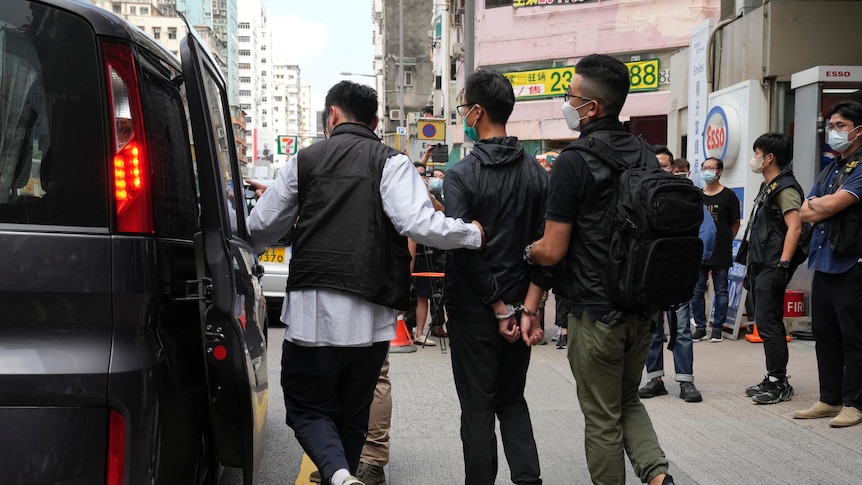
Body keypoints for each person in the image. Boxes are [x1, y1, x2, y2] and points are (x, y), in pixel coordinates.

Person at [246, 81, 485, 485]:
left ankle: (339, 475)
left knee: (307, 409)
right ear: (375, 122)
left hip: (312, 311)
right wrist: (472, 233)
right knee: (354, 413)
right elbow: (418, 223)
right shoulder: (391, 162)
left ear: (332, 116)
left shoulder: (303, 162)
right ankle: (343, 474)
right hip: (371, 315)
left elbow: (259, 227)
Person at [527, 53, 674, 485]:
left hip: (595, 313)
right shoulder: (646, 154)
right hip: (642, 306)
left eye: (569, 95)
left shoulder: (573, 162)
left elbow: (552, 251)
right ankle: (659, 477)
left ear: (591, 108)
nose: (565, 102)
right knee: (628, 400)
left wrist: (527, 253)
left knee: (602, 417)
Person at [444, 69, 548, 485]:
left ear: (477, 111)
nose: (463, 114)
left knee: (477, 407)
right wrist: (527, 309)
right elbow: (548, 247)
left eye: (464, 107)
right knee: (512, 400)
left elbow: (463, 250)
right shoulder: (538, 175)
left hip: (474, 310)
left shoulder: (460, 175)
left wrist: (497, 307)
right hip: (521, 306)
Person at [794, 100, 862, 428]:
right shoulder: (832, 167)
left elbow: (836, 203)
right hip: (823, 262)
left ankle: (854, 403)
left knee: (854, 337)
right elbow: (804, 210)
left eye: (840, 126)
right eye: (831, 126)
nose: (833, 132)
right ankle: (829, 398)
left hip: (851, 265)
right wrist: (822, 206)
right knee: (825, 335)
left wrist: (822, 205)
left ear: (858, 130)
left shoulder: (861, 167)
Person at [639, 148, 716, 404]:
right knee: (653, 329)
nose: (661, 170)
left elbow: (708, 230)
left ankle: (686, 381)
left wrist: (696, 260)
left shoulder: (687, 194)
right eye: (656, 165)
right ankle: (655, 379)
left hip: (680, 270)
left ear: (673, 168)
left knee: (681, 328)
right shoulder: (642, 194)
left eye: (665, 165)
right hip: (651, 271)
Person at [738, 132, 803, 404]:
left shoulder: (785, 187)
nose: (754, 159)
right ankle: (773, 376)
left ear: (769, 157)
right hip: (761, 263)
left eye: (756, 154)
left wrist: (783, 265)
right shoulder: (770, 185)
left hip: (773, 264)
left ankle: (779, 382)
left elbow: (795, 226)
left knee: (769, 324)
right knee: (765, 322)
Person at [692, 156, 741, 342]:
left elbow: (735, 224)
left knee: (721, 290)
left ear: (719, 172)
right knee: (696, 291)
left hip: (720, 250)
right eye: (704, 167)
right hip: (699, 249)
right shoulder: (697, 195)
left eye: (711, 168)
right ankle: (700, 327)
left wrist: (726, 240)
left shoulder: (729, 196)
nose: (707, 171)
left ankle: (717, 329)